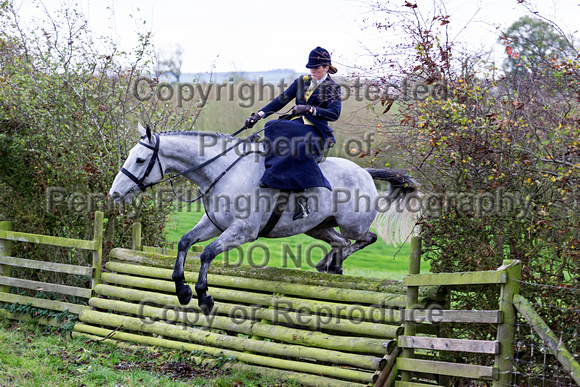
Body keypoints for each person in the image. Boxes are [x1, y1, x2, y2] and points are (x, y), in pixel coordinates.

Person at [244, 47, 341, 220]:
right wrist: (258, 115)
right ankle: (272, 174)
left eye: (316, 68)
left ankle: (301, 197)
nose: (312, 71)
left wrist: (310, 109)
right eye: (310, 68)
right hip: (296, 125)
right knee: (271, 125)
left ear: (326, 67)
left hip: (316, 130)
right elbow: (280, 101)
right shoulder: (302, 81)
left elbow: (334, 114)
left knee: (282, 131)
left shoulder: (332, 87)